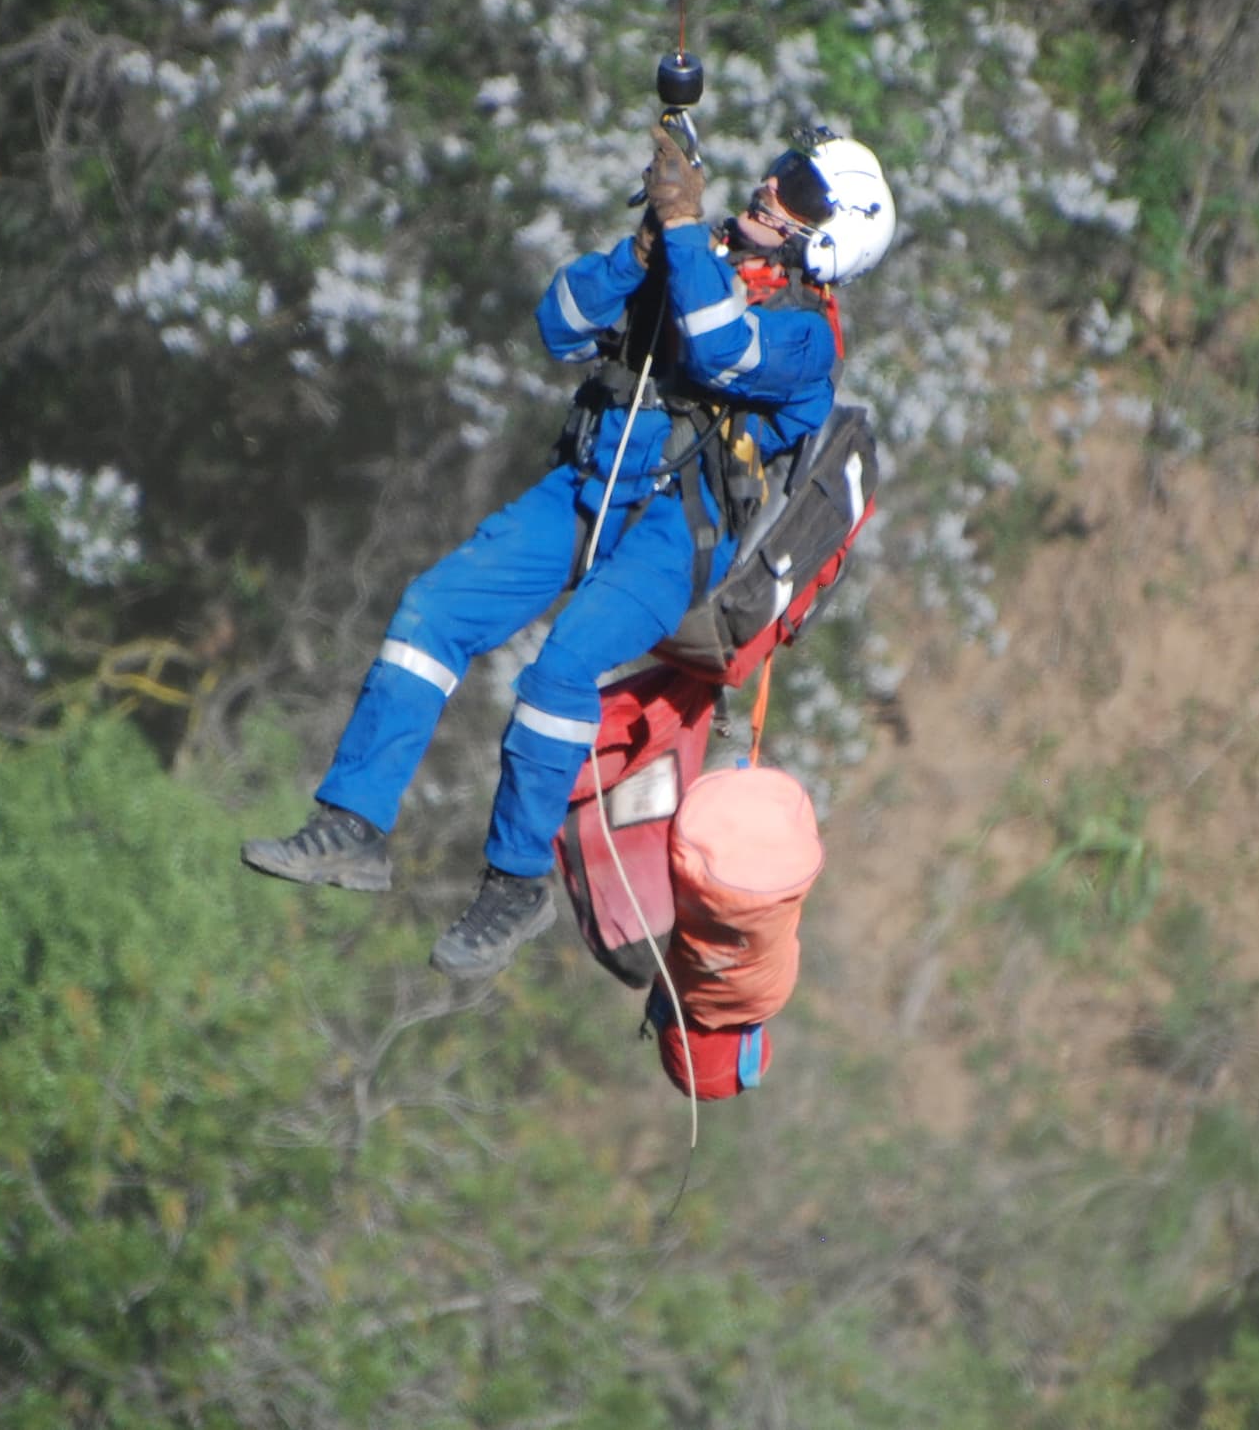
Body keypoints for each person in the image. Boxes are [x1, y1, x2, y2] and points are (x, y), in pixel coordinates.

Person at [241, 123, 895, 979]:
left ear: (831, 237)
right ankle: (352, 825)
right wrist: (640, 250)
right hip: (584, 485)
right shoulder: (694, 260)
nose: (770, 190)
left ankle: (514, 885)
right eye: (779, 173)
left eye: (799, 193)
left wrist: (688, 235)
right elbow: (560, 323)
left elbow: (721, 348)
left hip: (677, 528)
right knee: (430, 612)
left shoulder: (808, 336)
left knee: (557, 674)